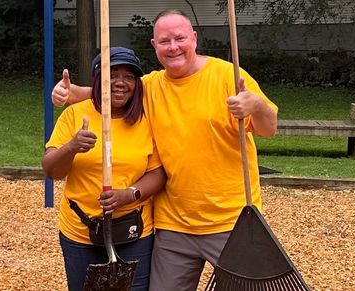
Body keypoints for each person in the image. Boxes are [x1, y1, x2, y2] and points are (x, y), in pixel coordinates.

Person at [51, 10, 278, 291]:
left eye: (180, 38)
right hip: (173, 224)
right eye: (164, 41)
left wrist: (256, 105)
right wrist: (69, 92)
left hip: (230, 219)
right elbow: (114, 90)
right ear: (154, 45)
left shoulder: (228, 77)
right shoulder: (153, 86)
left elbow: (268, 128)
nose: (173, 47)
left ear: (194, 38)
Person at [43, 46, 167, 291]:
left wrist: (128, 194)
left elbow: (158, 173)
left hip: (134, 231)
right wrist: (71, 147)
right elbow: (51, 170)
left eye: (129, 76)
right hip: (80, 230)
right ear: (98, 79)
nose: (121, 82)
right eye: (112, 74)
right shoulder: (74, 115)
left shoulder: (146, 119)